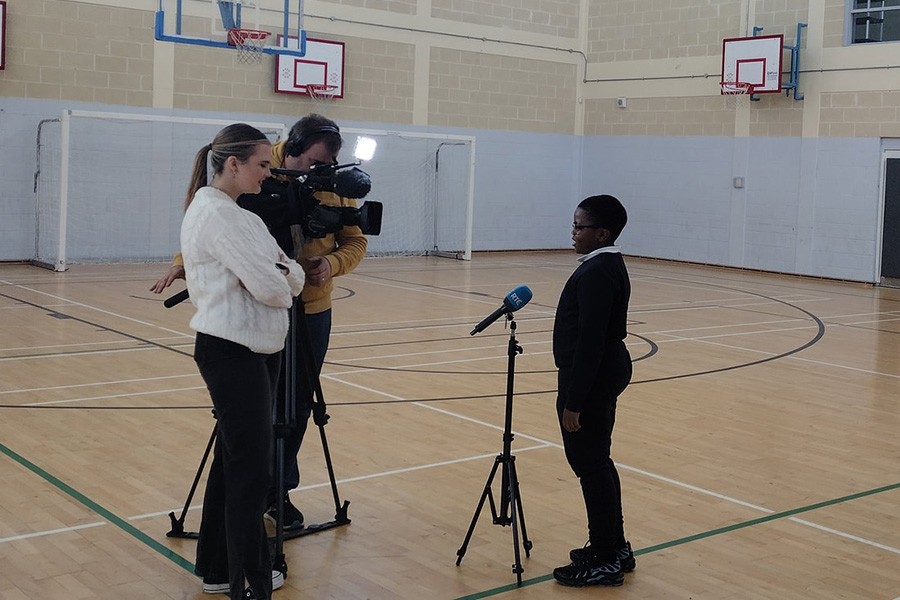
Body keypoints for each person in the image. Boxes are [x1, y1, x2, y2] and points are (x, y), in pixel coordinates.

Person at [152, 114, 367, 531]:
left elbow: (355, 240)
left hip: (312, 307)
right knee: (254, 412)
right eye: (309, 163)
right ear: (293, 148)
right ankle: (245, 503)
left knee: (299, 404)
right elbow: (219, 222)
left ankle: (277, 492)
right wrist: (186, 264)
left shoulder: (334, 183)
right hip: (256, 307)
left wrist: (332, 263)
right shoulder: (256, 170)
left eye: (325, 165)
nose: (314, 172)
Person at [180, 123, 305, 599]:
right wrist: (283, 276)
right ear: (233, 164)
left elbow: (286, 271)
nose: (267, 173)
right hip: (232, 352)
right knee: (252, 473)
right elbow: (277, 285)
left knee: (234, 465)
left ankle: (216, 567)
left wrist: (283, 274)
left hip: (254, 351)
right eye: (262, 164)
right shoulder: (219, 216)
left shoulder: (240, 215)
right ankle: (248, 579)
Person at [551, 194, 635, 588]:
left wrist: (575, 401)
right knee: (598, 462)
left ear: (602, 233)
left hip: (592, 377)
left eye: (579, 227)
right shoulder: (603, 264)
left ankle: (605, 558)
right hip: (598, 372)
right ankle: (613, 545)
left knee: (591, 465)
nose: (573, 233)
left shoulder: (599, 272)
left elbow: (591, 341)